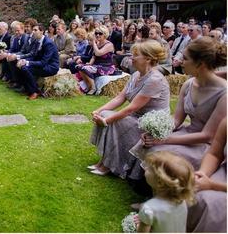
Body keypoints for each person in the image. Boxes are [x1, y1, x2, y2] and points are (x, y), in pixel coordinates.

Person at [137, 37, 227, 171]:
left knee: (163, 152)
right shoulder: (188, 84)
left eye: (185, 59)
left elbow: (207, 135)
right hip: (187, 132)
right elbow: (177, 119)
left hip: (206, 145)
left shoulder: (224, 94)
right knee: (150, 143)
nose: (180, 62)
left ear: (200, 64)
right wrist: (156, 132)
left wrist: (164, 140)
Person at [89, 39, 170, 178]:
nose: (131, 58)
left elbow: (131, 108)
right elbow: (120, 98)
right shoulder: (136, 75)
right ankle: (104, 161)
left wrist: (106, 120)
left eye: (135, 55)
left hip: (148, 124)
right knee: (104, 113)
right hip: (136, 117)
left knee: (113, 120)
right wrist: (98, 110)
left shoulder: (155, 79)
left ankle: (110, 165)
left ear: (148, 59)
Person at [136, 151, 195, 233]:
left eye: (150, 169)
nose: (145, 168)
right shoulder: (181, 201)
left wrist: (138, 225)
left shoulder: (149, 209)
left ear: (160, 182)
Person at [187, 118, 227, 232]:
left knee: (213, 203)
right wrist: (201, 174)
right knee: (193, 189)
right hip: (225, 172)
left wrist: (212, 185)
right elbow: (214, 154)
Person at [16, 23, 59, 100]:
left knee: (26, 68)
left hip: (51, 67)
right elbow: (34, 56)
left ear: (42, 31)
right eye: (33, 30)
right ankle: (28, 89)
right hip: (41, 64)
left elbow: (43, 62)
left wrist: (27, 63)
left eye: (35, 30)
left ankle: (35, 91)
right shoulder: (37, 41)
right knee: (21, 66)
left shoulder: (48, 43)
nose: (33, 32)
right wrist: (23, 60)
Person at [73, 25, 115, 95]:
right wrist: (89, 63)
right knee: (79, 66)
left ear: (105, 34)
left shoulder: (109, 44)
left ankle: (93, 88)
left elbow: (98, 53)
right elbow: (94, 56)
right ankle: (89, 86)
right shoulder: (98, 43)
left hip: (106, 66)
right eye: (96, 33)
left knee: (84, 68)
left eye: (100, 33)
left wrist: (93, 43)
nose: (97, 35)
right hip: (96, 65)